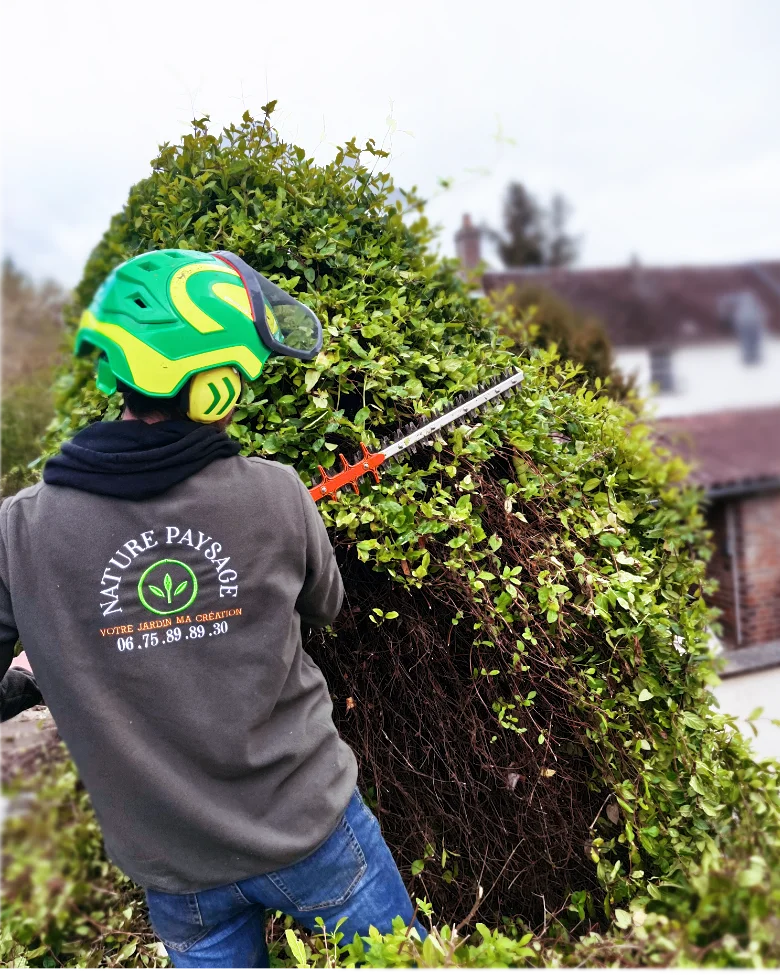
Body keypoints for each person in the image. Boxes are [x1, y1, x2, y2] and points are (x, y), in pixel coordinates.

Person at [0, 248, 424, 969]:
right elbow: (328, 604)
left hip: (175, 866)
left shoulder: (19, 529)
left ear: (118, 368)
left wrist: (46, 666)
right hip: (310, 828)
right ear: (216, 384)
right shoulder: (278, 492)